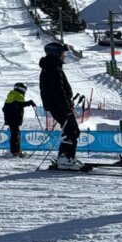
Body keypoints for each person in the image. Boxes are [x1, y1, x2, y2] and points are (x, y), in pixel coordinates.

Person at [40, 41, 82, 170]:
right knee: (72, 131)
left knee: (70, 131)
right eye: (62, 53)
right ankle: (65, 159)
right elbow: (58, 91)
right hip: (59, 106)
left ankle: (65, 157)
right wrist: (66, 107)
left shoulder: (52, 67)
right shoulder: (53, 68)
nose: (64, 55)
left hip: (57, 105)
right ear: (56, 53)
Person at [2, 83, 36, 157]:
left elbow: (5, 108)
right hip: (15, 119)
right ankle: (15, 151)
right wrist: (29, 103)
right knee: (15, 135)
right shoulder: (18, 95)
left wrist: (7, 118)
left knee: (15, 134)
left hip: (11, 119)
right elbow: (19, 105)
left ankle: (15, 150)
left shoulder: (11, 96)